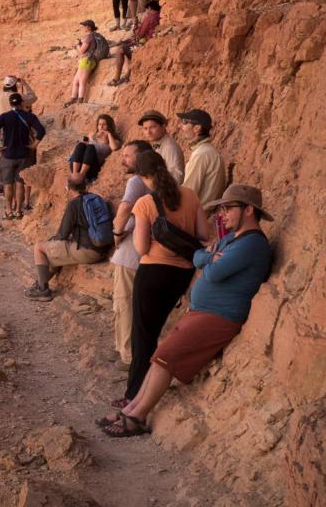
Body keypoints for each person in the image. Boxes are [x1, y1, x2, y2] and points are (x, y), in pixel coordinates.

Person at [100, 184, 273, 437]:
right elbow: (198, 257)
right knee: (159, 355)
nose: (222, 214)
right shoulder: (231, 239)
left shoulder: (252, 245)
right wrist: (208, 257)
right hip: (203, 312)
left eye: (228, 208)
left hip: (219, 316)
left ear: (248, 210)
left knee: (165, 358)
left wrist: (211, 259)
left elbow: (213, 272)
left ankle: (136, 417)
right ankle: (132, 408)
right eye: (221, 208)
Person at [117, 150, 210, 408]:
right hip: (182, 273)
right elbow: (203, 233)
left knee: (143, 335)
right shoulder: (190, 195)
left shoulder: (145, 204)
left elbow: (141, 248)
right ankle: (144, 389)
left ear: (142, 175)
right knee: (156, 330)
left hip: (153, 273)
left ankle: (134, 394)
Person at [25, 173, 113, 301]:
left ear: (68, 187)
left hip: (87, 251)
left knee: (39, 248)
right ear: (86, 185)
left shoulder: (74, 204)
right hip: (102, 248)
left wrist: (51, 241)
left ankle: (43, 290)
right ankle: (40, 283)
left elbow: (63, 234)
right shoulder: (96, 198)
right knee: (56, 250)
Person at [108, 140, 155, 363]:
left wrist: (117, 233)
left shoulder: (137, 181)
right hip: (150, 254)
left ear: (141, 157)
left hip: (130, 253)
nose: (123, 159)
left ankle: (127, 354)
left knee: (124, 303)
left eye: (128, 155)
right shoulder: (162, 180)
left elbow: (126, 207)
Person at [0, 92, 46, 220]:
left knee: (8, 184)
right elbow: (41, 131)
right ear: (21, 103)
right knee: (20, 183)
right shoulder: (29, 116)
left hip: (8, 155)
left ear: (10, 104)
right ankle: (19, 211)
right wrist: (34, 145)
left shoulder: (4, 116)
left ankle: (9, 211)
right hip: (24, 155)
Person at [177, 109, 228, 206]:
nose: (179, 126)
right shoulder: (205, 151)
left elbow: (187, 192)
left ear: (197, 128)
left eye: (184, 122)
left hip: (198, 215)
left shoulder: (201, 154)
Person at [108, 0, 160, 86]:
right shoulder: (159, 15)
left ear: (149, 8)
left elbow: (140, 34)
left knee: (120, 50)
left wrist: (135, 27)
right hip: (151, 41)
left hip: (146, 44)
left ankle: (116, 78)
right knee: (127, 47)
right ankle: (128, 74)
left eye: (146, 10)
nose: (146, 12)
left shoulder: (150, 17)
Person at [137, 110, 185, 183]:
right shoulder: (154, 144)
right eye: (145, 128)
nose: (148, 132)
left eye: (152, 127)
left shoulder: (169, 147)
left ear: (163, 126)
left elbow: (178, 177)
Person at [64, 20, 102, 107]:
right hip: (85, 61)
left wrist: (78, 44)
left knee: (81, 81)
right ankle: (73, 98)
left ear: (89, 27)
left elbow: (81, 51)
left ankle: (80, 99)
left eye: (84, 26)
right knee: (76, 81)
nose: (83, 27)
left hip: (87, 60)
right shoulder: (92, 36)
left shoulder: (89, 37)